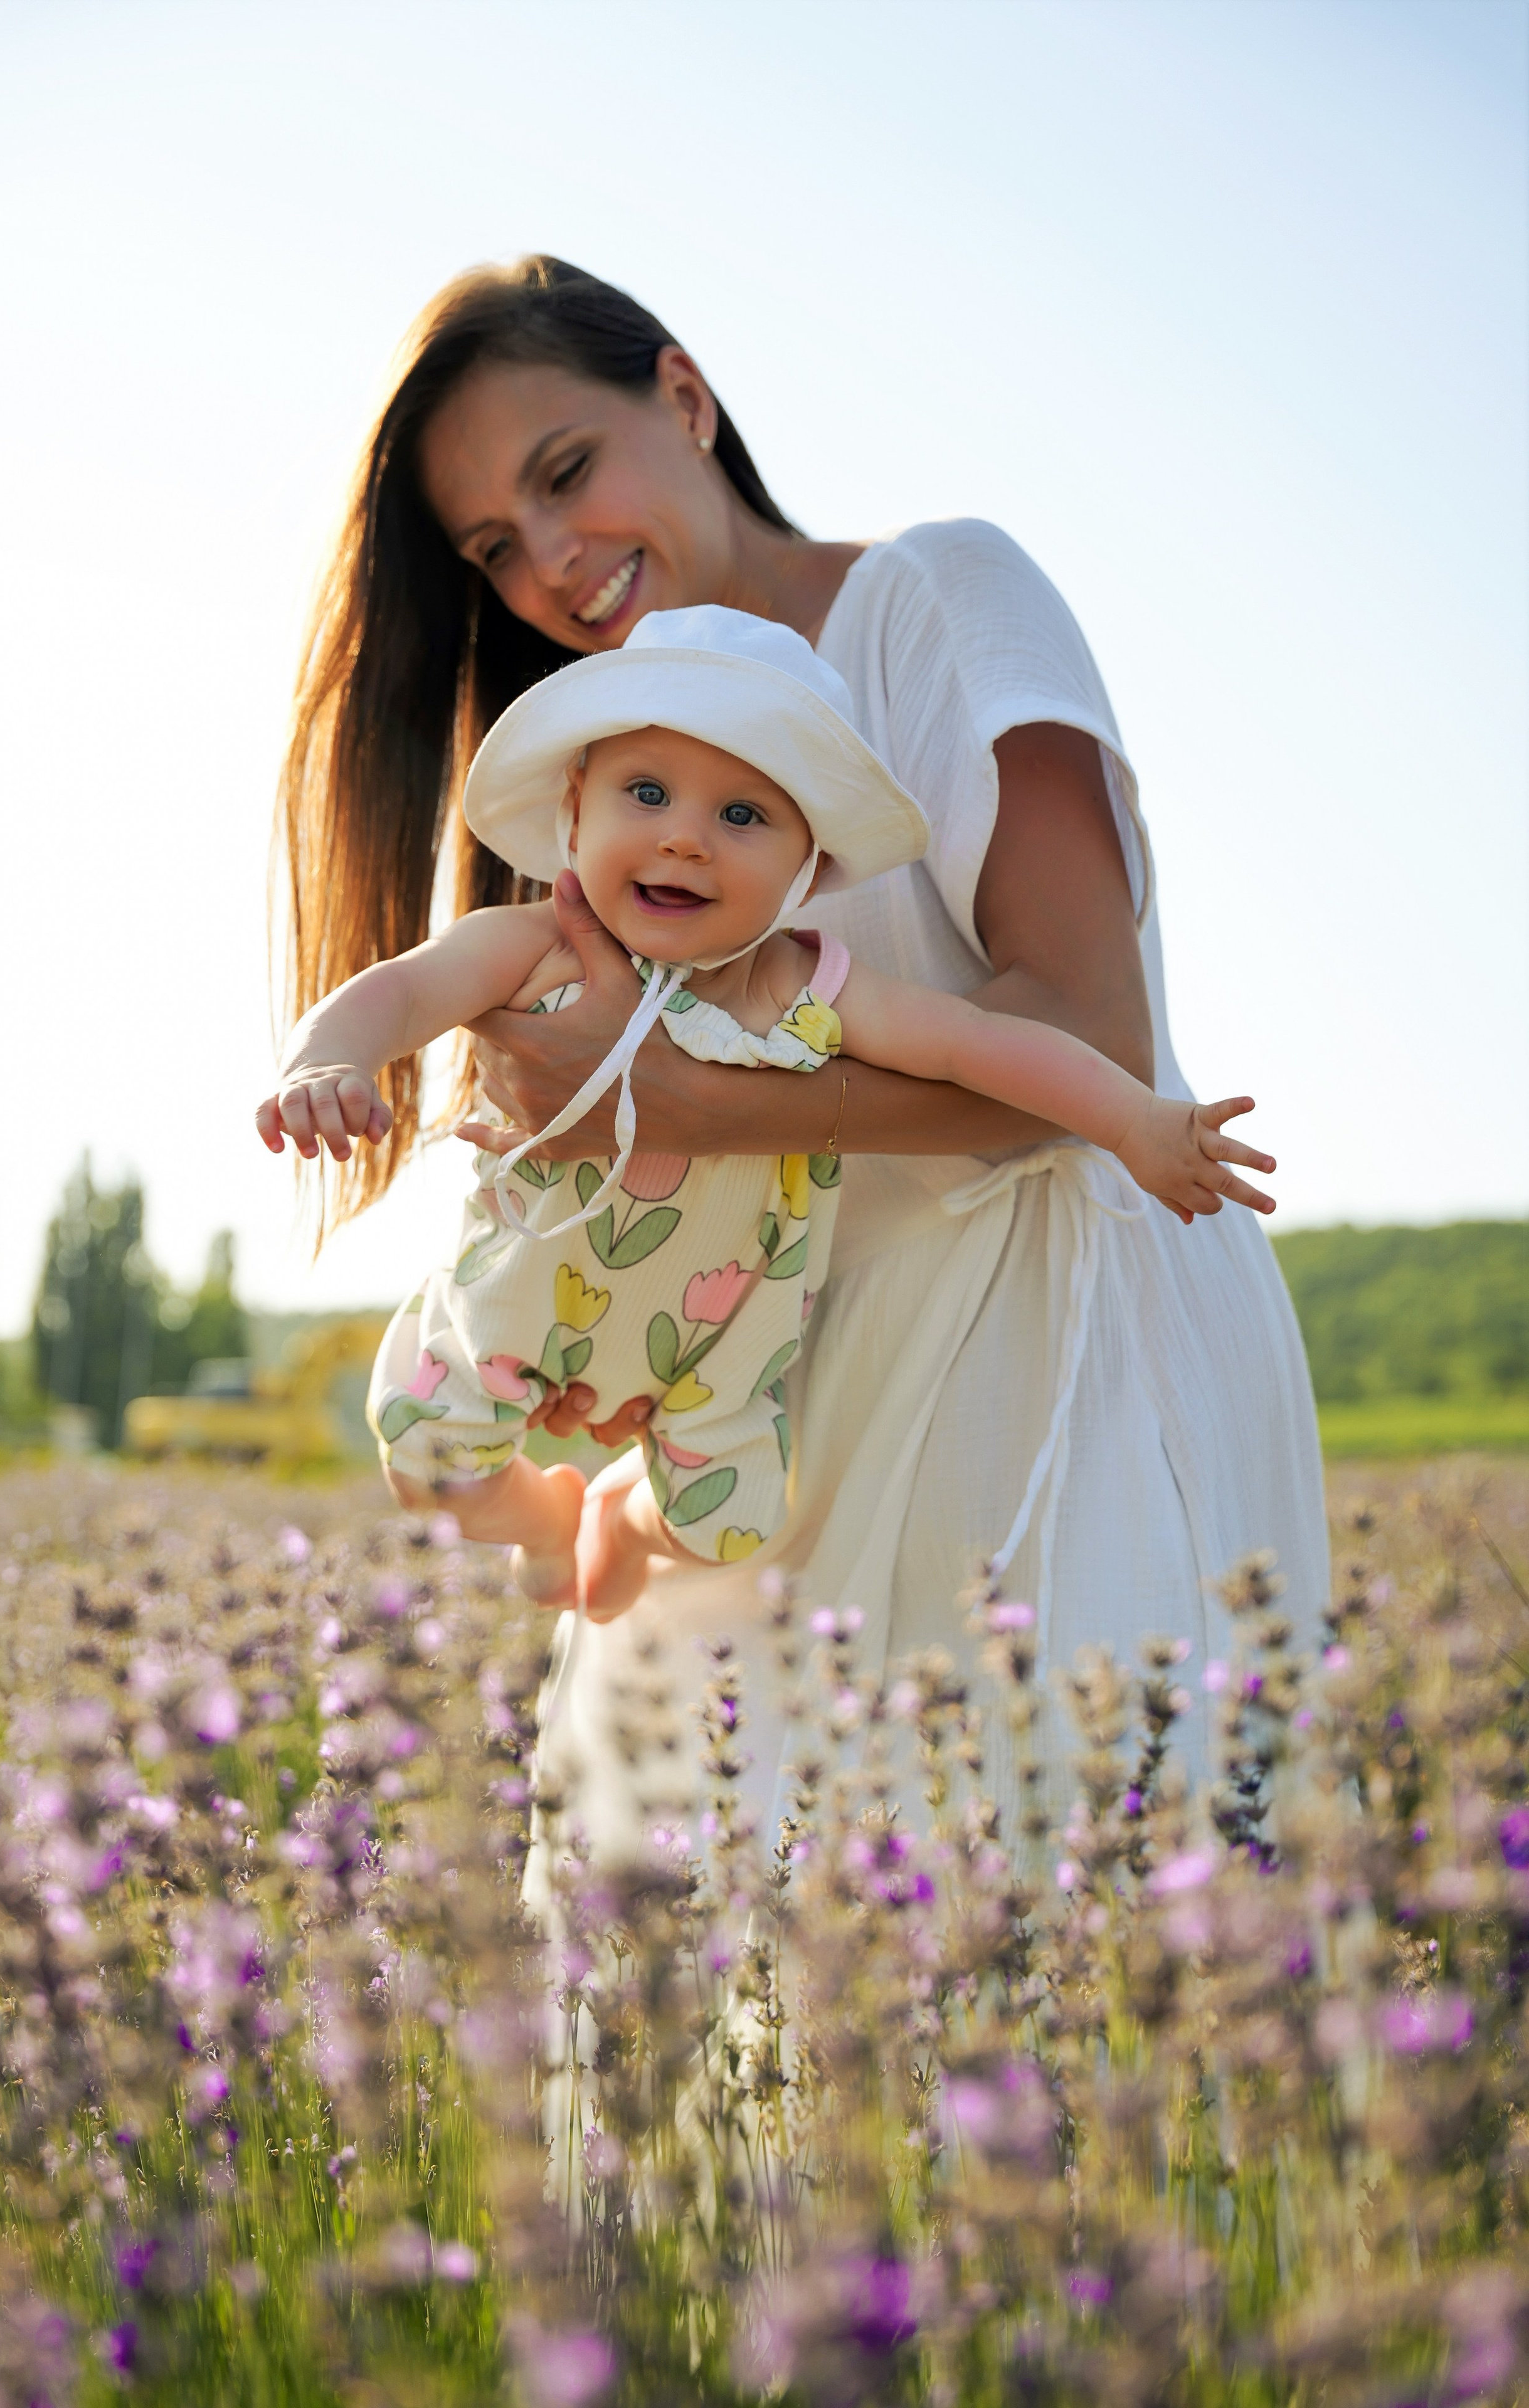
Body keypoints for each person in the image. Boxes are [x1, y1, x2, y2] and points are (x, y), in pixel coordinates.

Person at [277, 253, 1328, 1846]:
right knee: (734, 1984)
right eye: (496, 545)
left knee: (1081, 1919)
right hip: (770, 1367)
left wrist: (683, 1102)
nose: (551, 559)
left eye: (566, 471)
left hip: (1048, 1333)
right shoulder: (619, 792)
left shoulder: (936, 599)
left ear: (683, 399)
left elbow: (1088, 1025)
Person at [260, 607, 1275, 1623]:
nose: (684, 838)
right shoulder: (531, 947)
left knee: (730, 1527)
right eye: (646, 792)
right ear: (576, 812)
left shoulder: (814, 991)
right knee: (430, 1466)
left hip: (720, 1348)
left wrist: (1135, 1121)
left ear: (809, 868)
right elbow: (398, 990)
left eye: (744, 816)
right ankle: (544, 1516)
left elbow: (982, 1046)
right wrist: (328, 1058)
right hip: (519, 1308)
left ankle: (620, 1523)